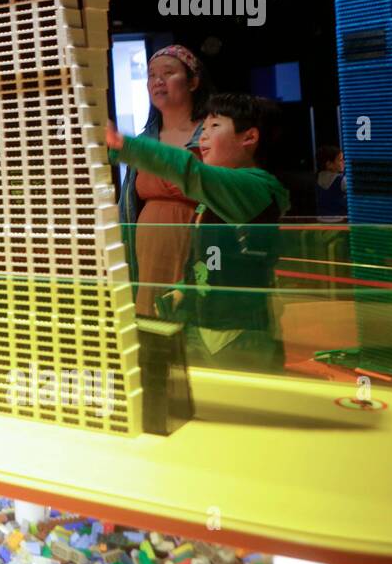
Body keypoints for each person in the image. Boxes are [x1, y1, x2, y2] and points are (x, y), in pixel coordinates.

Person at [107, 93, 290, 374]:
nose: (202, 137)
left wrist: (124, 145)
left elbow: (190, 172)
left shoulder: (257, 188)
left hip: (241, 336)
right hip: (201, 329)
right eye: (202, 129)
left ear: (249, 137)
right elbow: (207, 261)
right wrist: (181, 291)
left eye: (214, 127)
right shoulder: (214, 199)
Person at [118, 45, 210, 319]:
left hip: (196, 244)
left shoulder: (211, 133)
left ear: (193, 81)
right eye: (151, 75)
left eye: (168, 73)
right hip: (146, 251)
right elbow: (128, 205)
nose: (157, 81)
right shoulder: (144, 140)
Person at [315, 145, 348, 223]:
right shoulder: (342, 180)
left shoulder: (318, 176)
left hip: (321, 220)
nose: (344, 162)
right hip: (339, 221)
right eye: (340, 160)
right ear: (329, 164)